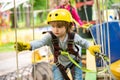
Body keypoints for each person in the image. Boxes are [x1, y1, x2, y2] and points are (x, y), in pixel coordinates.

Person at [15, 9, 101, 80]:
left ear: (67, 26)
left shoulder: (73, 36)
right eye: (53, 26)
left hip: (74, 62)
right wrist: (29, 45)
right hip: (59, 64)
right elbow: (40, 42)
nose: (56, 30)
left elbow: (84, 42)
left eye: (59, 27)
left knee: (78, 78)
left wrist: (91, 47)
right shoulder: (50, 37)